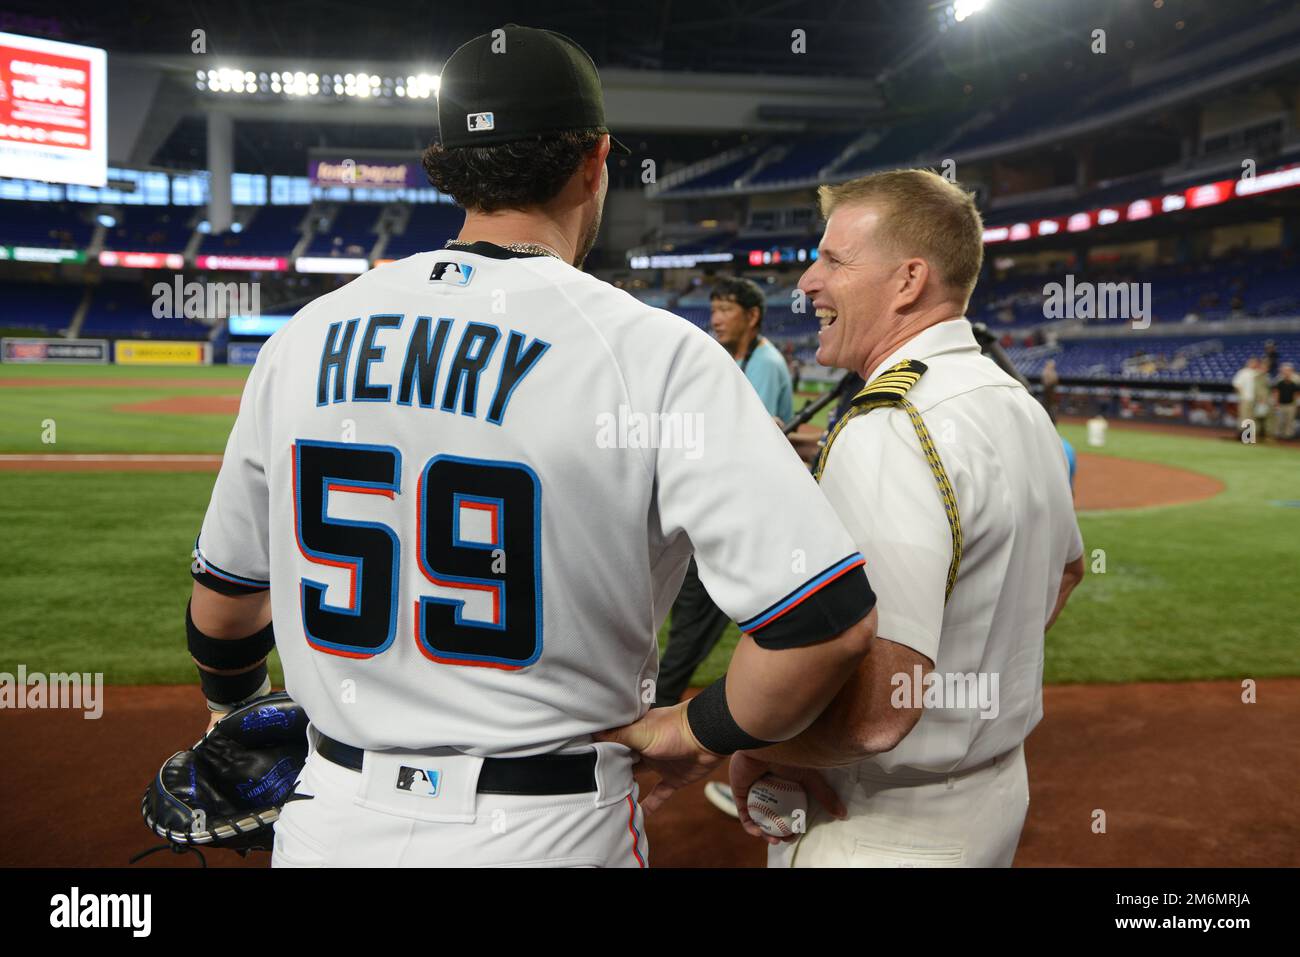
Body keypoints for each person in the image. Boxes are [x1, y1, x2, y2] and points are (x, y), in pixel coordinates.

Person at [184, 24, 878, 868]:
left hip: (328, 819)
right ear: (596, 160)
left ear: (444, 163)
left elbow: (225, 612)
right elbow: (825, 624)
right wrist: (696, 731)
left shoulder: (303, 338)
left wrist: (234, 717)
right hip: (549, 826)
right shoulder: (651, 350)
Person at [725, 169, 1084, 867]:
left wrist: (751, 742)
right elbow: (1067, 569)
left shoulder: (892, 422)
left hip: (879, 822)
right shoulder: (1013, 401)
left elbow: (880, 711)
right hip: (991, 795)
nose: (806, 281)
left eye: (832, 258)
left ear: (908, 280)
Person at [654, 278, 795, 713]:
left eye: (726, 309)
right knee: (692, 617)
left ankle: (663, 712)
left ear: (752, 317)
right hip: (721, 508)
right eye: (713, 308)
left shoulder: (765, 363)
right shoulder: (734, 357)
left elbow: (743, 439)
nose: (715, 317)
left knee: (696, 621)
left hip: (739, 516)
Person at [1233, 357, 1259, 436]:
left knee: (1252, 417)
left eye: (1255, 363)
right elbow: (1237, 384)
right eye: (1252, 362)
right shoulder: (1243, 372)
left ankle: (1249, 435)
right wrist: (1241, 395)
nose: (1253, 364)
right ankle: (1241, 433)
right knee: (1243, 416)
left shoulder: (1257, 373)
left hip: (1255, 399)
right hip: (1245, 399)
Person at [1273, 362, 1298, 441]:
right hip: (1281, 404)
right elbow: (1276, 392)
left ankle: (1288, 435)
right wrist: (1276, 403)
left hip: (1291, 405)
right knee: (1279, 421)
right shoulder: (1279, 381)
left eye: (1288, 370)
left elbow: (1296, 393)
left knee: (1289, 421)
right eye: (1285, 370)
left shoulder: (1295, 381)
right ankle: (1278, 434)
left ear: (1291, 371)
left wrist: (1295, 403)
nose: (1286, 372)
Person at [1040, 358, 1060, 424]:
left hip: (1051, 396)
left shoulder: (1053, 373)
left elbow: (1053, 381)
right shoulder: (1045, 372)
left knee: (1052, 410)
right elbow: (1046, 382)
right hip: (1047, 395)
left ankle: (1052, 422)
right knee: (1046, 409)